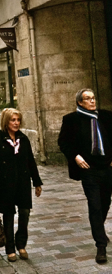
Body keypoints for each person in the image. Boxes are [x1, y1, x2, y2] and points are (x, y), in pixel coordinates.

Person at [58, 88, 112, 263]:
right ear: (80, 102)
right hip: (88, 169)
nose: (92, 101)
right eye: (88, 99)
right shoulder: (71, 120)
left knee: (105, 203)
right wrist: (75, 156)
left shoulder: (105, 116)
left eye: (93, 98)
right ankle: (101, 246)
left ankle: (99, 230)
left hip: (107, 168)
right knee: (95, 205)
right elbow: (63, 142)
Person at [0, 108, 42, 262]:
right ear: (6, 122)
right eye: (13, 120)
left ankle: (21, 243)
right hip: (5, 184)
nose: (16, 123)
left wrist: (37, 182)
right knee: (8, 216)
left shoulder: (23, 139)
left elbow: (30, 161)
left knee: (24, 214)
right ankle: (10, 248)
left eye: (18, 120)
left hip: (23, 183)